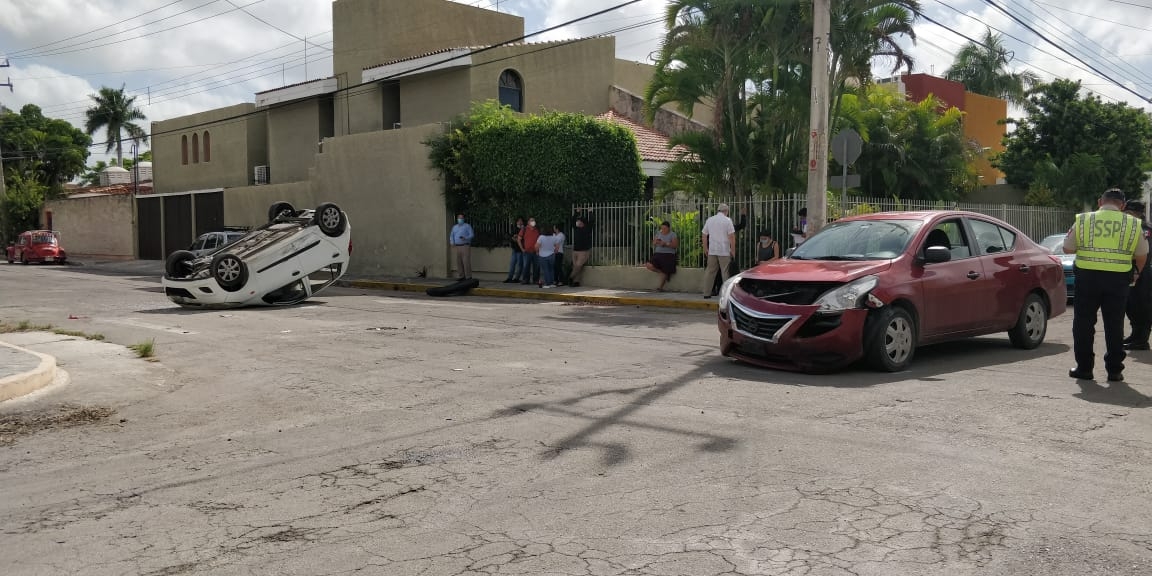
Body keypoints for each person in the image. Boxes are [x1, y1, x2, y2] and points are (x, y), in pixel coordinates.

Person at [1063, 188, 1148, 382]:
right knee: (1115, 325)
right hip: (1118, 280)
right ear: (1123, 205)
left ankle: (1084, 368)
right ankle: (1114, 370)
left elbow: (1067, 248)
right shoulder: (1134, 224)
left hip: (1087, 278)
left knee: (1083, 324)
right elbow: (1142, 254)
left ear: (1100, 202)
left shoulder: (1084, 220)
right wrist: (1136, 274)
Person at [1124, 200, 1152, 350]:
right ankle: (1135, 334)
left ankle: (1142, 339)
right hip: (1132, 270)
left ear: (1136, 213)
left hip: (1142, 271)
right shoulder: (1132, 226)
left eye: (1127, 212)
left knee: (1142, 305)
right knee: (1131, 304)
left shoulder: (1144, 228)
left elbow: (1145, 253)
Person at [701, 204, 736, 299]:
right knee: (725, 272)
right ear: (726, 211)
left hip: (712, 250)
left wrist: (705, 248)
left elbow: (704, 235)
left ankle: (706, 293)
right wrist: (733, 250)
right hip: (724, 250)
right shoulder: (727, 220)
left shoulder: (710, 220)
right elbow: (731, 236)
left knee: (710, 271)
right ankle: (726, 294)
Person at [645, 221, 679, 291]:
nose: (663, 230)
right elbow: (653, 242)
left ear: (669, 228)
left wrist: (665, 244)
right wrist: (656, 242)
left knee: (665, 269)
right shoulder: (658, 233)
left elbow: (675, 245)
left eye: (665, 228)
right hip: (658, 254)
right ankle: (661, 272)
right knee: (649, 265)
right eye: (662, 228)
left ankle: (660, 287)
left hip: (668, 255)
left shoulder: (673, 234)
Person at [569, 211, 594, 287]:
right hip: (575, 250)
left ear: (582, 222)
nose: (577, 222)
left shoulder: (587, 228)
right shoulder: (576, 228)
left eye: (578, 221)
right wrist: (577, 212)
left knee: (578, 265)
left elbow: (592, 221)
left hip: (583, 251)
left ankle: (570, 277)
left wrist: (590, 212)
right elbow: (572, 220)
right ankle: (576, 282)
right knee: (576, 266)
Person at [450, 213, 474, 280]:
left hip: (465, 246)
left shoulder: (467, 226)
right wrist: (452, 242)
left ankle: (468, 277)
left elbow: (472, 235)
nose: (460, 219)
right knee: (459, 262)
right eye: (459, 218)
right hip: (457, 247)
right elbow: (451, 235)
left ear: (464, 219)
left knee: (466, 262)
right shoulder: (454, 227)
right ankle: (461, 276)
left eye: (461, 218)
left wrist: (465, 238)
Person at [504, 217, 526, 283]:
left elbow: (522, 239)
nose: (519, 222)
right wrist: (514, 238)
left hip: (520, 250)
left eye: (520, 221)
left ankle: (516, 278)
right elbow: (512, 237)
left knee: (519, 265)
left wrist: (517, 239)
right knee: (512, 264)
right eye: (518, 221)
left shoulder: (524, 229)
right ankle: (509, 278)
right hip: (514, 249)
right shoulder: (515, 229)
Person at [520, 217, 540, 285]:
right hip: (527, 252)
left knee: (536, 267)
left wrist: (538, 250)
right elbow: (519, 239)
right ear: (528, 222)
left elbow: (539, 241)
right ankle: (525, 280)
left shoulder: (537, 230)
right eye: (531, 220)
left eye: (534, 220)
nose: (533, 222)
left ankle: (536, 280)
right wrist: (522, 249)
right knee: (526, 266)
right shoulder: (524, 229)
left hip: (535, 252)